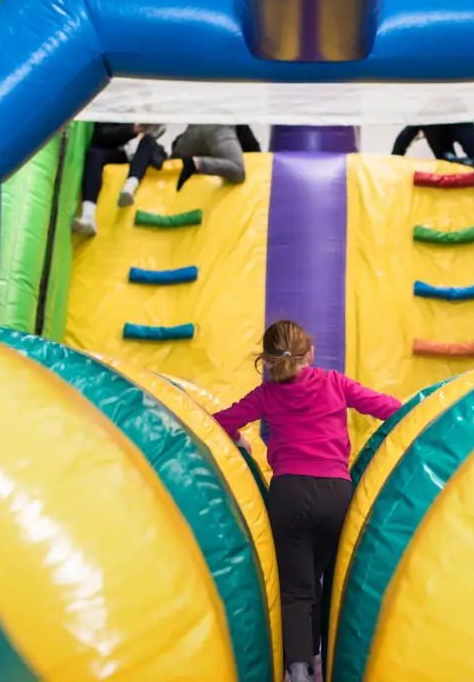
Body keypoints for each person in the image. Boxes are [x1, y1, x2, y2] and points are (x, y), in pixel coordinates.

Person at [211, 320, 401, 682]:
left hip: (290, 494)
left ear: (267, 362)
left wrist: (240, 439)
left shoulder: (267, 395)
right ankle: (325, 660)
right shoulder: (335, 383)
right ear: (310, 353)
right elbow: (390, 408)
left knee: (297, 590)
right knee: (326, 580)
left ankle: (299, 669)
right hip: (335, 493)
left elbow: (218, 422)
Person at [72, 122, 167, 237]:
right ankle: (88, 216)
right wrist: (132, 129)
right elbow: (101, 135)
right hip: (118, 151)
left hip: (139, 154)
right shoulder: (116, 112)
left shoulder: (150, 139)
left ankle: (129, 187)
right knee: (94, 155)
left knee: (148, 140)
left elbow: (159, 160)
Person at [392, 122, 474, 195]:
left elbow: (404, 137)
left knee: (446, 163)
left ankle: (453, 160)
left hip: (434, 121)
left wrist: (393, 160)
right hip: (459, 115)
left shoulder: (426, 112)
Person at [172, 124, 250, 190]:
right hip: (219, 128)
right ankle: (197, 163)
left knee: (171, 167)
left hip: (193, 129)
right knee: (238, 170)